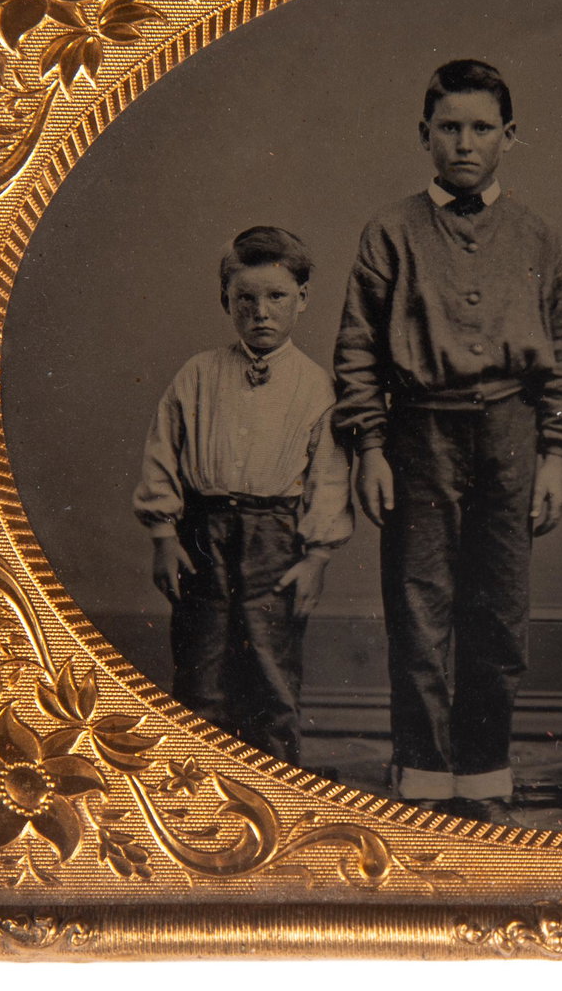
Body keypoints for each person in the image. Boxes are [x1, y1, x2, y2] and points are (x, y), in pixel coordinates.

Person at [332, 59, 562, 823]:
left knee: (498, 605)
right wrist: (371, 449)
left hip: (513, 431)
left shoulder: (537, 235)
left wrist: (556, 455)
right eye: (449, 128)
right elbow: (357, 350)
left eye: (481, 129)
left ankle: (483, 762)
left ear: (509, 137)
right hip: (419, 430)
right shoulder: (390, 231)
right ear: (425, 135)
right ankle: (422, 764)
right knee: (419, 602)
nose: (464, 144)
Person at [135, 226, 354, 765]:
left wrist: (318, 557)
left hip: (275, 541)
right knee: (200, 665)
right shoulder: (198, 375)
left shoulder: (316, 386)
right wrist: (164, 536)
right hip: (201, 535)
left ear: (302, 299)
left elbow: (329, 477)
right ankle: (199, 788)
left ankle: (276, 790)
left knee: (270, 671)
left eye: (276, 296)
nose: (261, 312)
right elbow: (163, 452)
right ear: (225, 300)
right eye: (245, 299)